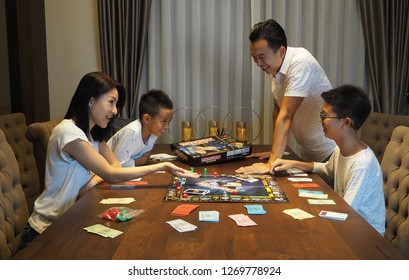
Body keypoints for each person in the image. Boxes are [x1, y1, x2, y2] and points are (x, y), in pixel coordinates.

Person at [23, 72, 198, 242]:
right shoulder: (68, 132)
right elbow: (112, 173)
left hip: (71, 220)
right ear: (91, 100)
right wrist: (163, 166)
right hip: (45, 230)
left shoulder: (93, 135)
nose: (115, 111)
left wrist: (92, 182)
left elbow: (115, 166)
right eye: (111, 102)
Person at [243, 85, 385, 235]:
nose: (320, 120)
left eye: (324, 116)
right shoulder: (341, 149)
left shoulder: (362, 164)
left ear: (346, 123)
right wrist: (293, 164)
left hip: (365, 234)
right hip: (347, 223)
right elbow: (327, 169)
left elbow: (347, 211)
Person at [237, 19, 336, 174]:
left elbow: (286, 116)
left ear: (281, 51)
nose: (258, 63)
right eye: (254, 57)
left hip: (329, 155)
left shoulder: (300, 63)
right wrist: (275, 154)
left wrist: (271, 164)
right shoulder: (275, 66)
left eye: (262, 57)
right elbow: (278, 109)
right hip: (308, 155)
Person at [108, 89, 173, 167]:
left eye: (169, 121)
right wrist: (141, 161)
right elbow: (118, 165)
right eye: (164, 121)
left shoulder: (154, 133)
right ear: (146, 119)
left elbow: (145, 156)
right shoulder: (131, 132)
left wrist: (142, 159)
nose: (167, 126)